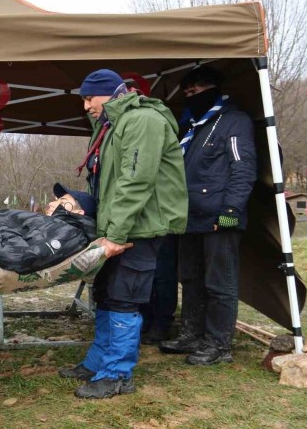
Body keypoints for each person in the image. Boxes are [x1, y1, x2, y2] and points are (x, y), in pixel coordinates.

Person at [58, 69, 187, 399]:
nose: (86, 106)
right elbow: (107, 183)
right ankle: (97, 363)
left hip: (139, 228)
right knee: (106, 293)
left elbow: (135, 182)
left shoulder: (142, 120)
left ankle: (117, 374)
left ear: (110, 92)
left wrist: (115, 235)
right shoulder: (110, 124)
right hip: (117, 226)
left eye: (90, 98)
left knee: (124, 298)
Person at [159, 66, 257, 365]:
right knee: (190, 279)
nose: (191, 96)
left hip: (219, 217)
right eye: (187, 92)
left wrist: (231, 210)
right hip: (189, 216)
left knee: (219, 284)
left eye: (197, 90)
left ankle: (218, 344)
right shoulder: (193, 125)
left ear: (213, 89)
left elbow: (243, 168)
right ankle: (192, 334)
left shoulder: (234, 121)